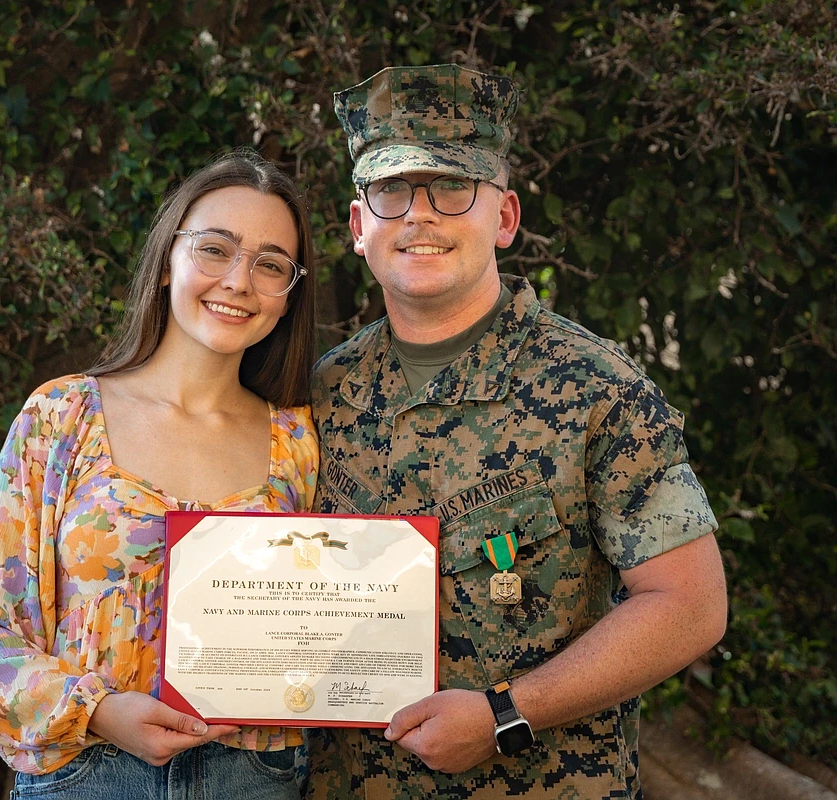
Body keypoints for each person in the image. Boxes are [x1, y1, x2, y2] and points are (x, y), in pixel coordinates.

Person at [305, 64, 728, 799]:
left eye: (453, 189)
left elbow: (689, 606)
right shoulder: (320, 395)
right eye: (392, 191)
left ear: (503, 217)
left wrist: (507, 714)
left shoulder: (598, 389)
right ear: (357, 226)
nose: (420, 215)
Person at [0, 151, 319, 800]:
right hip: (87, 772)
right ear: (168, 259)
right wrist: (97, 709)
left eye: (271, 264)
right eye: (215, 249)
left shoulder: (302, 444)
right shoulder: (61, 418)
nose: (239, 281)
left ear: (288, 295)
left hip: (253, 780)